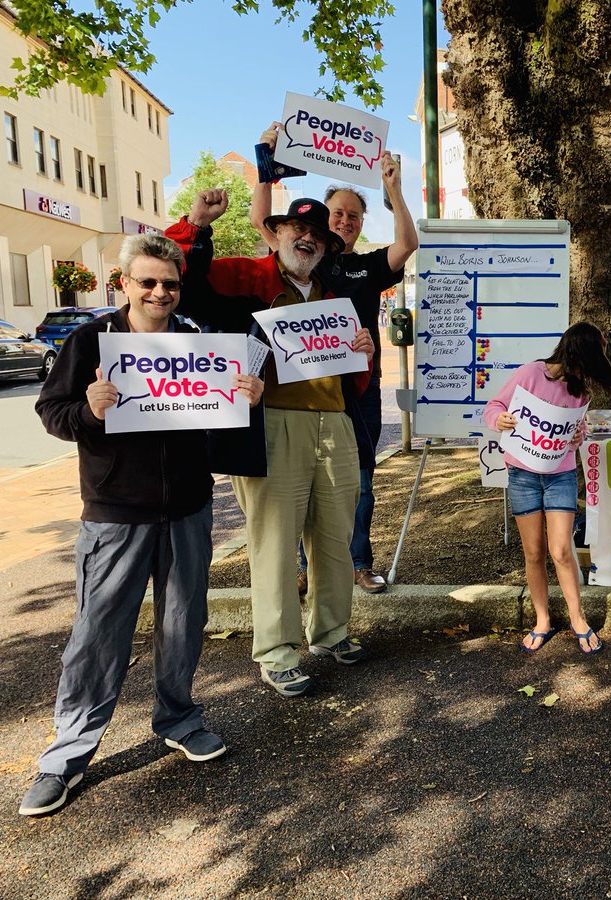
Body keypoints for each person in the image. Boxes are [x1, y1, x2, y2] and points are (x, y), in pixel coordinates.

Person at [21, 235, 264, 816]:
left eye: (170, 283)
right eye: (148, 281)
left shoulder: (201, 342)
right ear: (123, 283)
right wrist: (90, 409)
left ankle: (178, 717)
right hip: (115, 512)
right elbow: (52, 413)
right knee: (98, 631)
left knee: (183, 621)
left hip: (186, 508)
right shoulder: (91, 340)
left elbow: (224, 421)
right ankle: (67, 753)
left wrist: (248, 396)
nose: (160, 292)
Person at [165, 192, 375, 698]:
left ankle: (330, 632)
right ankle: (278, 652)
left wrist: (363, 352)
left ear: (328, 246)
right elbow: (186, 287)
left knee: (334, 538)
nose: (307, 240)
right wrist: (197, 224)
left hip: (335, 423)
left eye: (319, 236)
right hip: (271, 424)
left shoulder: (334, 295)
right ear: (275, 232)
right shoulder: (246, 277)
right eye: (296, 231)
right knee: (276, 544)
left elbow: (354, 377)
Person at [251, 123, 418, 596]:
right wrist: (265, 160)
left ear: (363, 223)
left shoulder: (367, 266)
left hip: (357, 389)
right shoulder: (308, 252)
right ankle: (309, 566)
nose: (345, 221)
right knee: (307, 480)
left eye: (354, 215)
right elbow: (261, 221)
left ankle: (360, 562)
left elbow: (407, 244)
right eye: (339, 213)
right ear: (325, 222)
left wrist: (393, 189)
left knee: (361, 481)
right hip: (304, 388)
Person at [483, 322, 611, 654]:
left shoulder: (582, 391)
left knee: (561, 550)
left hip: (559, 475)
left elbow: (576, 430)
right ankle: (542, 620)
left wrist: (578, 435)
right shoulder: (531, 373)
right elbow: (494, 407)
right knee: (533, 551)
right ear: (577, 353)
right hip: (522, 475)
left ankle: (578, 618)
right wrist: (499, 420)